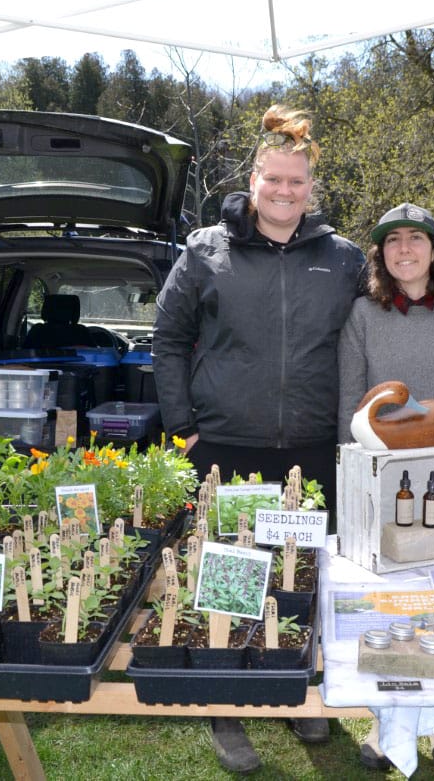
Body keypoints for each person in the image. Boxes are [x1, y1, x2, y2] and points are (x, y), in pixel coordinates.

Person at [153, 105, 364, 773]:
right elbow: (166, 339)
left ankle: (297, 693)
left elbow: (377, 333)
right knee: (232, 574)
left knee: (300, 577)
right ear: (252, 180)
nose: (284, 192)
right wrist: (181, 423)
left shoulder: (343, 260)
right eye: (273, 180)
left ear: (311, 188)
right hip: (226, 449)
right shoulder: (206, 250)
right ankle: (228, 705)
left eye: (296, 182)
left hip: (308, 450)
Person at [337, 202, 434, 771]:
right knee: (387, 604)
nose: (404, 249)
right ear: (381, 254)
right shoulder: (362, 315)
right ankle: (389, 723)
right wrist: (365, 476)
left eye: (416, 239)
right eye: (392, 241)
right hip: (379, 480)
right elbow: (351, 408)